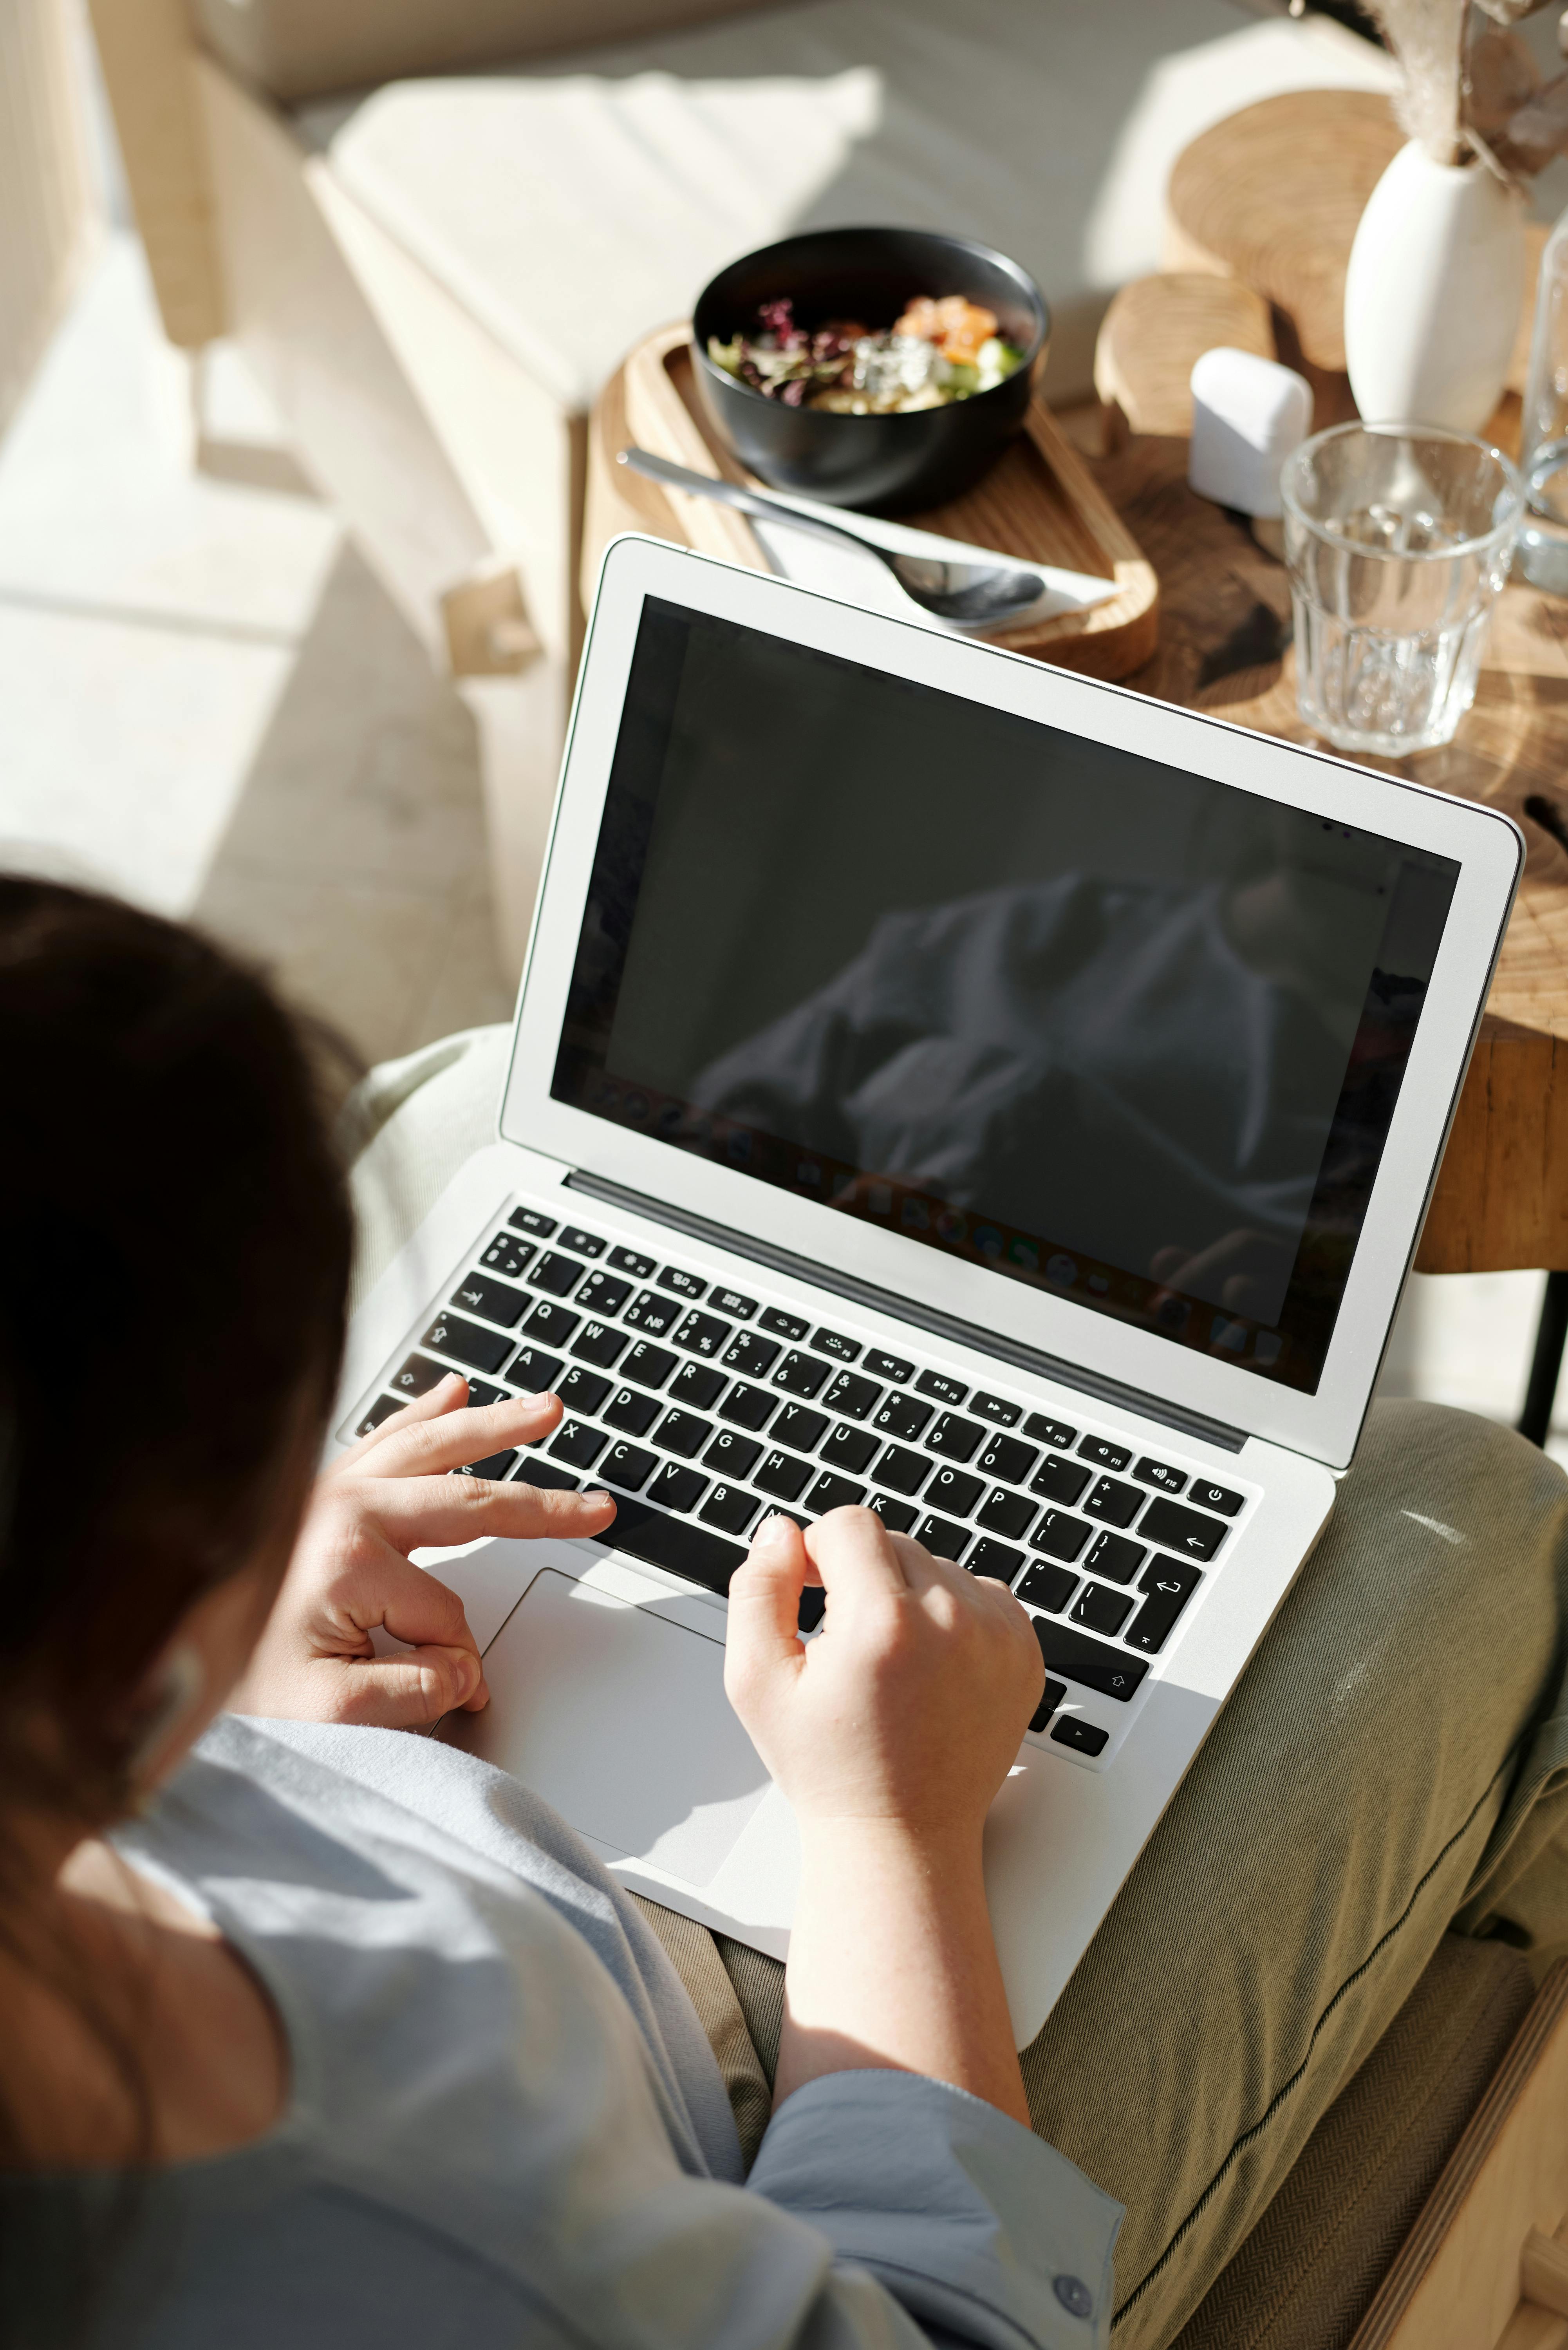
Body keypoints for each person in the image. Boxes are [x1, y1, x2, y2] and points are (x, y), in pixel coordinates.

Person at [3, 879, 1566, 2350]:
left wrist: (230, 1723)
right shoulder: (446, 2254)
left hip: (371, 1787)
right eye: (274, 1446)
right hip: (757, 2097)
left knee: (495, 1080)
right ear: (138, 1592)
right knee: (1475, 1507)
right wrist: (898, 1841)